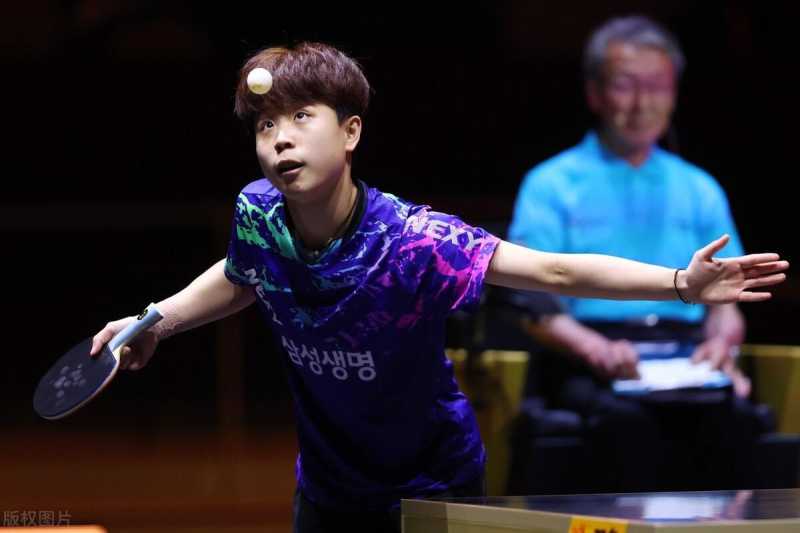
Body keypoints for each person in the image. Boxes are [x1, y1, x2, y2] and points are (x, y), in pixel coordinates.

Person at [91, 42, 786, 531]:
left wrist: (681, 283)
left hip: (430, 486)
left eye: (302, 117)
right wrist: (155, 320)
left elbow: (552, 270)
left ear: (351, 132)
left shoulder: (417, 241)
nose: (280, 138)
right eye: (266, 124)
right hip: (328, 487)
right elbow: (240, 274)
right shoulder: (258, 213)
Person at [508, 15, 770, 491]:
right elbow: (536, 307)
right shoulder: (551, 184)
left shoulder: (700, 187)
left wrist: (722, 344)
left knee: (735, 420)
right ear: (594, 93)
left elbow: (726, 300)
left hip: (684, 357)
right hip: (590, 356)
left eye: (657, 87)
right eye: (625, 85)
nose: (641, 103)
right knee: (627, 427)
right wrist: (597, 350)